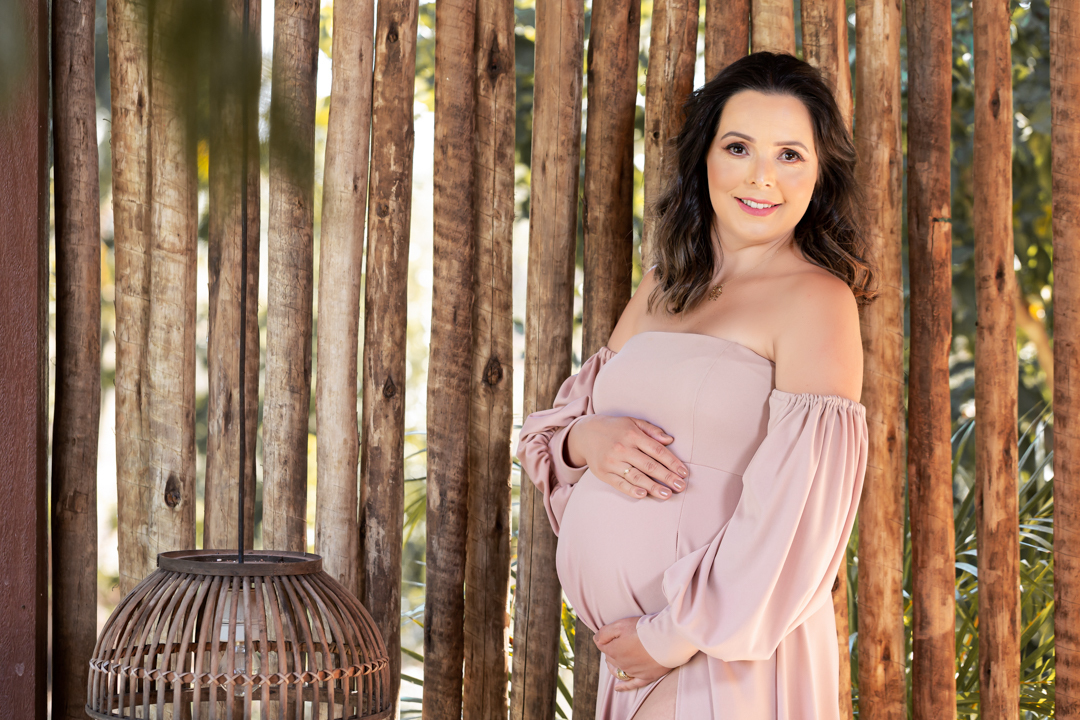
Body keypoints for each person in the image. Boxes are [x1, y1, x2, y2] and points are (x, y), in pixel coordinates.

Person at [516, 52, 877, 720]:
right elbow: (557, 435)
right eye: (739, 147)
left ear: (820, 172)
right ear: (704, 156)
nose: (761, 176)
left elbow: (800, 515)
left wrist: (670, 637)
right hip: (637, 659)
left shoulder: (817, 300)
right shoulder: (662, 287)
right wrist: (585, 440)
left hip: (724, 657)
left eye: (789, 155)